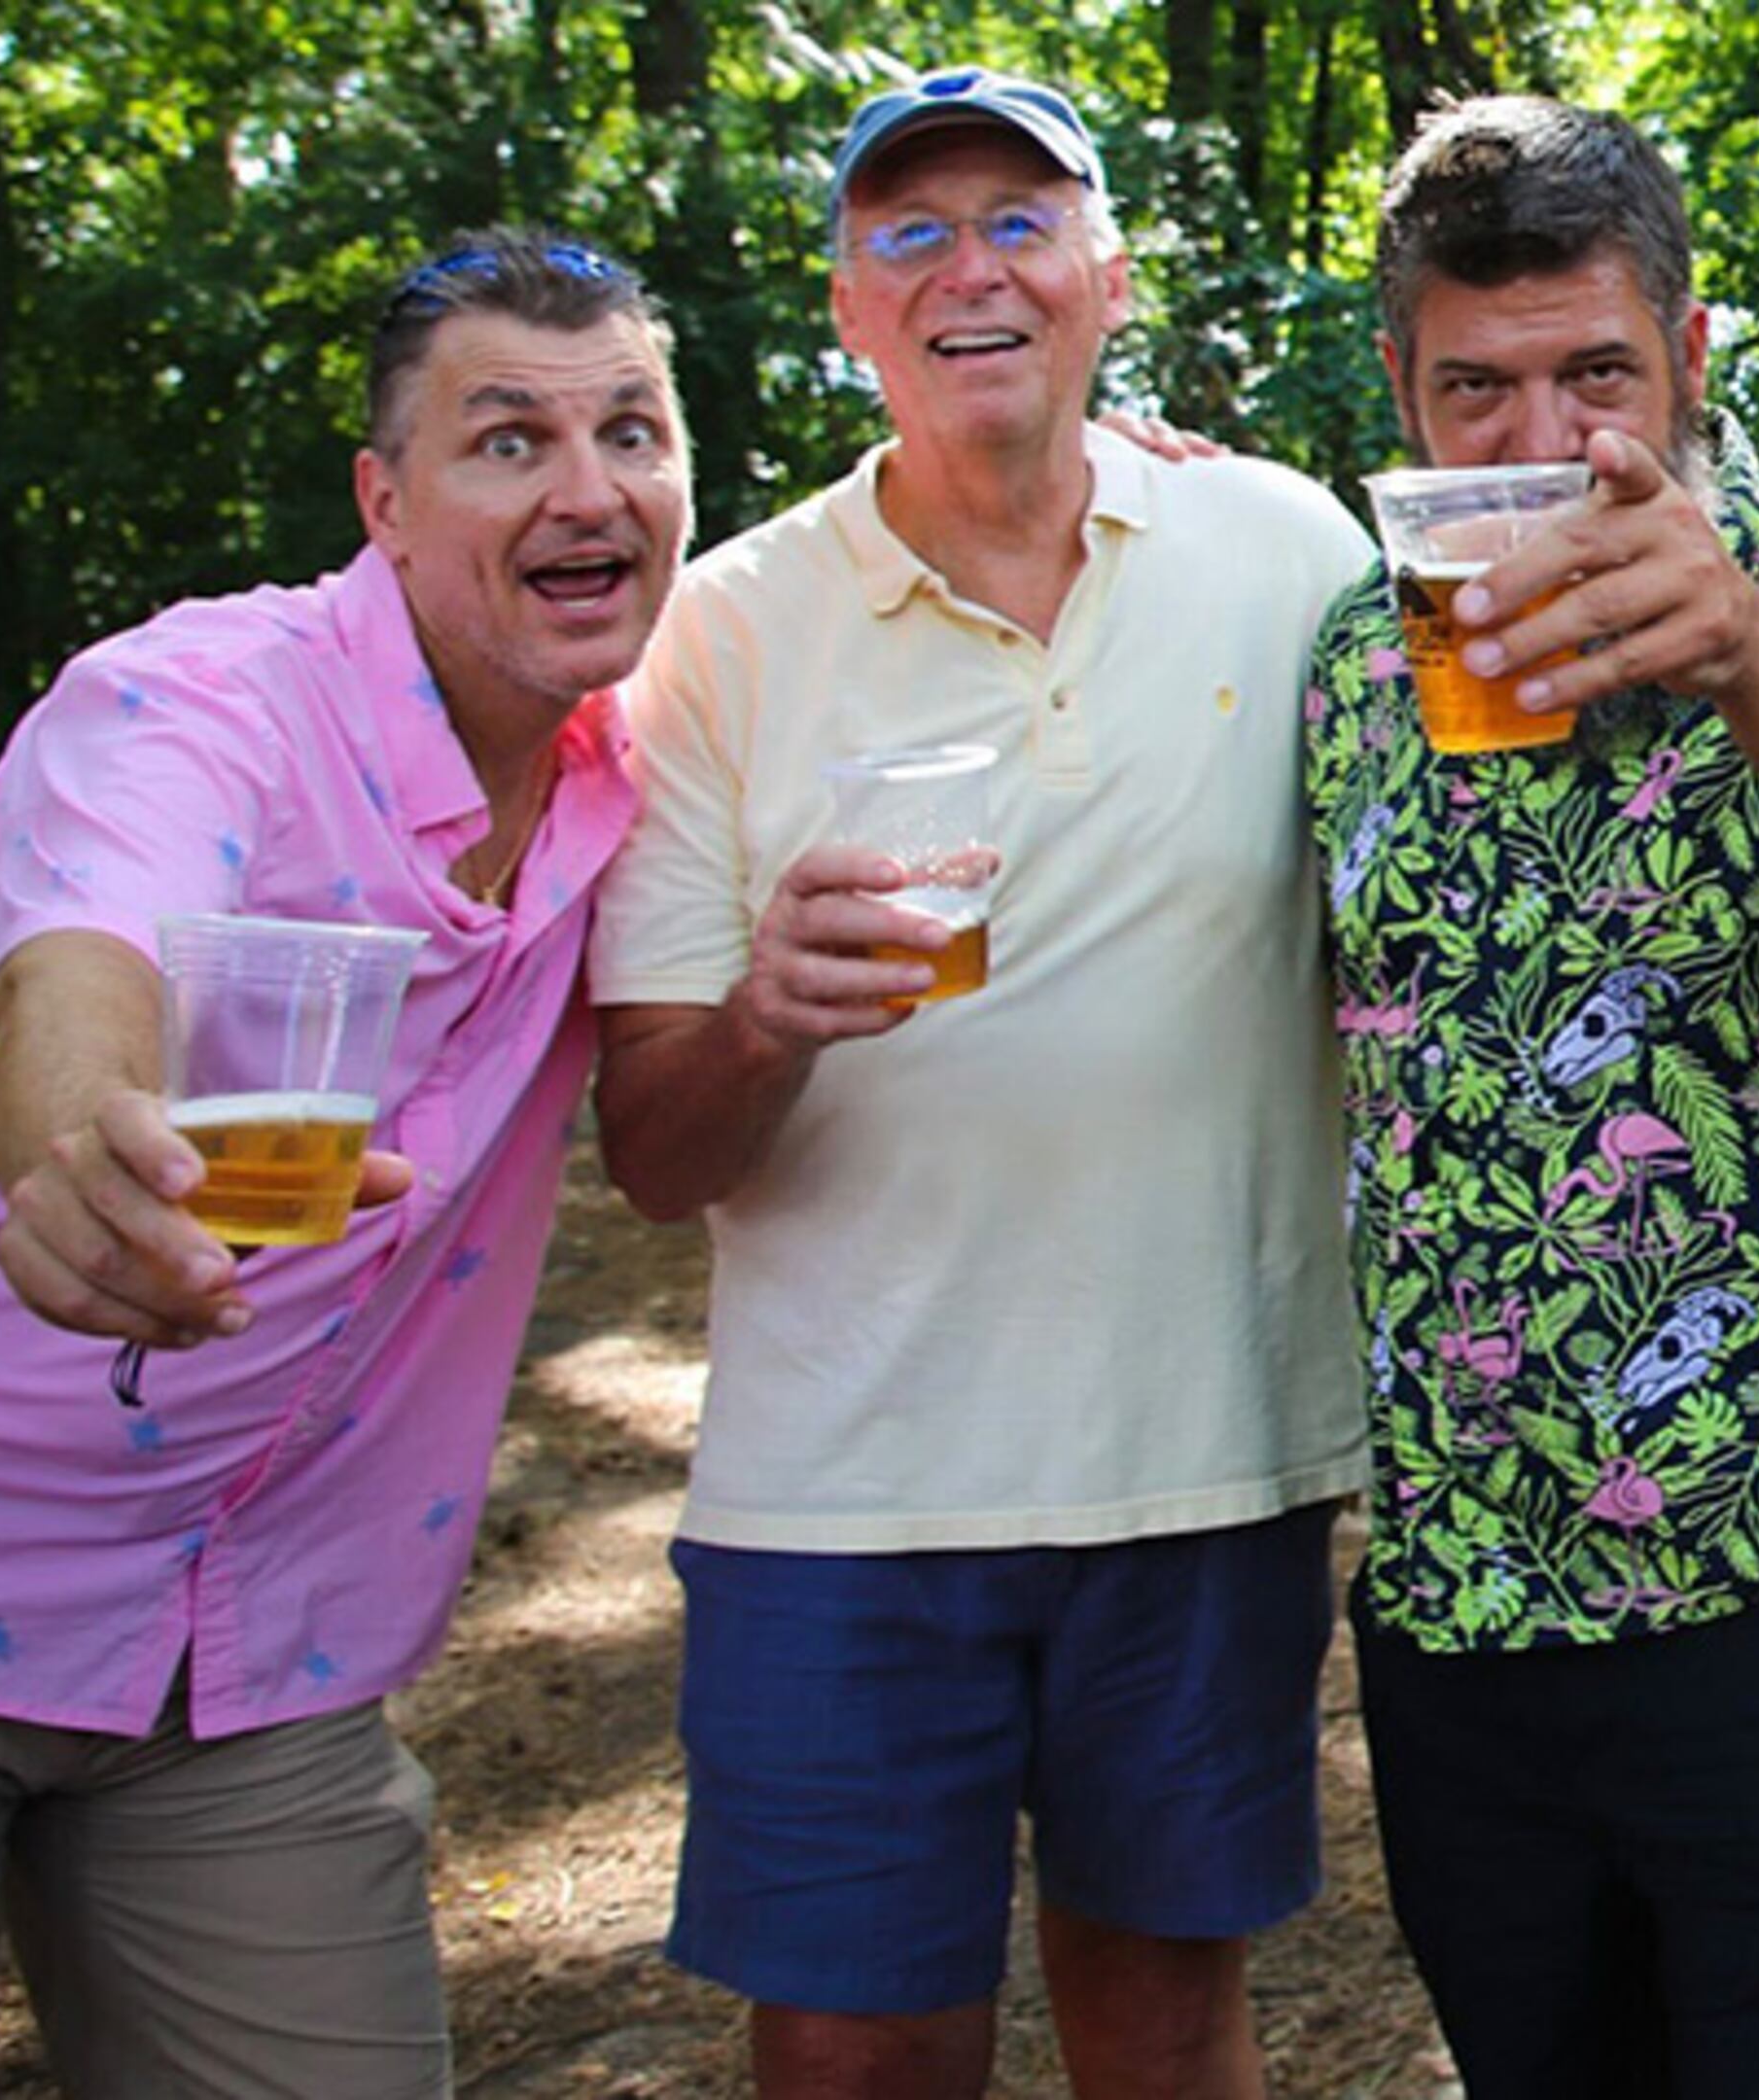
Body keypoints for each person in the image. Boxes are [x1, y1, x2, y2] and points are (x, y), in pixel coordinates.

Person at [585, 68, 1367, 2100]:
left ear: (1108, 279)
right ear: (848, 311)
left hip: (1203, 1454)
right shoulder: (727, 629)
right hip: (842, 1493)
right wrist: (765, 1016)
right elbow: (655, 1151)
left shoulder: (1286, 551)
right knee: (854, 2051)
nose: (969, 271)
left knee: (1169, 2019)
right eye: (908, 236)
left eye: (1021, 222)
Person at [0, 229, 685, 2097]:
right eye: (507, 441)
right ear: (383, 504)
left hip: (250, 1652)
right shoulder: (200, 696)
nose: (587, 487)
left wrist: (1109, 462)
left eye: (633, 430)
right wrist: (83, 1160)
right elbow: (88, 941)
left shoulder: (653, 757)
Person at [1305, 95, 1759, 2097]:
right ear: (1403, 384)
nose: (1540, 439)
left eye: (1594, 373)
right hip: (1462, 1596)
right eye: (1479, 387)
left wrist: (1751, 653)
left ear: (1691, 359)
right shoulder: (1354, 657)